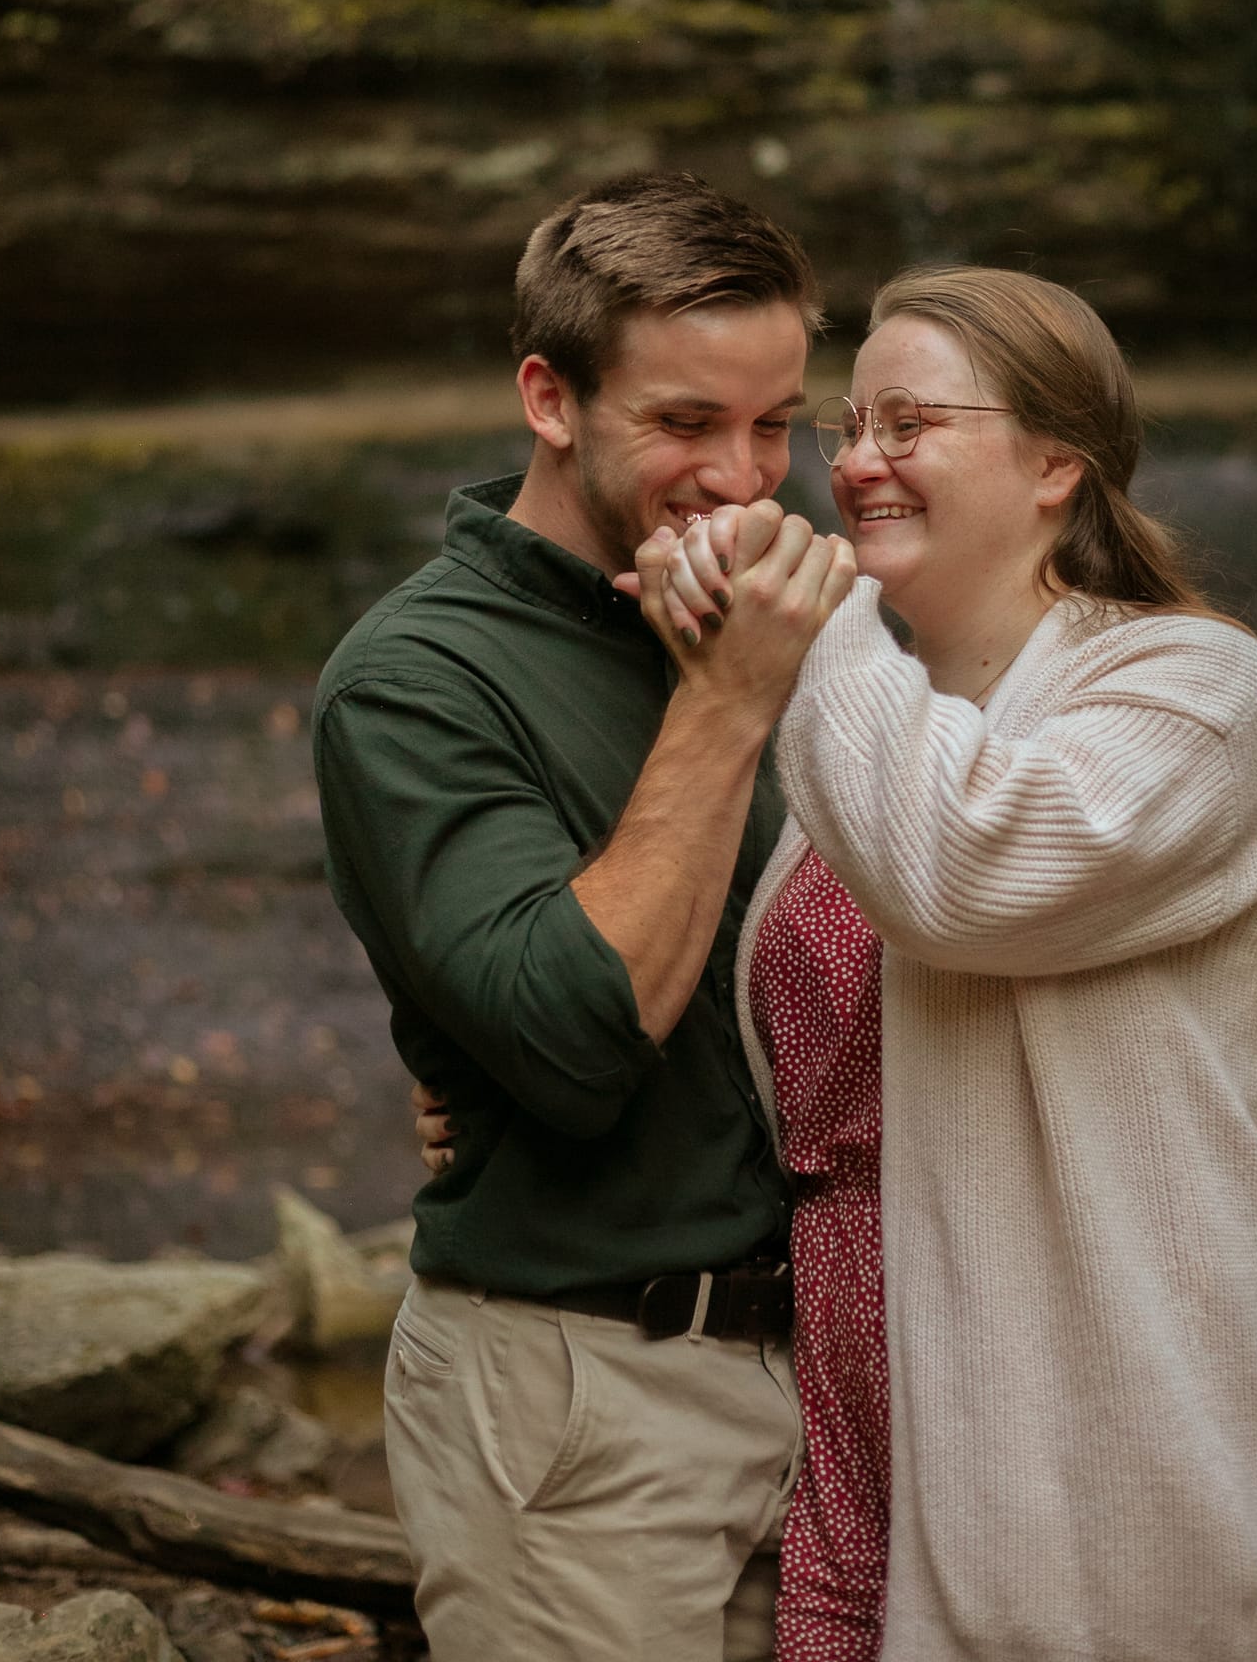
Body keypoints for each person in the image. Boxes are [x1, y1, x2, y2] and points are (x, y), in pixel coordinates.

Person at [629, 264, 1257, 1662]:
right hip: (849, 1449)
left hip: (1083, 1459)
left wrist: (813, 619)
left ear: (1057, 464)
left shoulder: (1192, 688)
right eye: (851, 425)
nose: (857, 464)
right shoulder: (871, 722)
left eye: (910, 423)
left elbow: (961, 874)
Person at [313, 169, 857, 1662]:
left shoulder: (797, 614)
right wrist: (729, 703)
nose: (745, 478)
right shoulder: (413, 679)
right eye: (685, 422)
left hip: (832, 1385)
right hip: (581, 1390)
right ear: (550, 399)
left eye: (776, 423)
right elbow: (571, 1038)